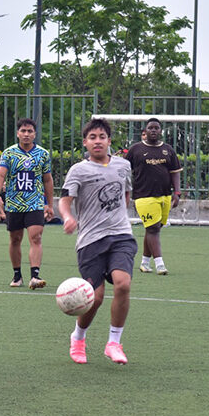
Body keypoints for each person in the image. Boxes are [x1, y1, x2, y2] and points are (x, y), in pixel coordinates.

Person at [59, 118, 138, 365]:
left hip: (121, 235)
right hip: (90, 240)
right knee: (95, 297)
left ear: (108, 141)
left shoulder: (123, 166)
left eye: (101, 137)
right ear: (85, 142)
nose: (97, 141)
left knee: (123, 284)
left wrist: (116, 217)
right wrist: (68, 217)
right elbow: (64, 200)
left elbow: (126, 194)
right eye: (92, 137)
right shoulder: (78, 170)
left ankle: (114, 342)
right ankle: (78, 337)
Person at [0, 118, 54, 289]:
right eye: (23, 131)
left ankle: (35, 275)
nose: (26, 134)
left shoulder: (42, 154)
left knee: (36, 237)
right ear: (18, 133)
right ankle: (17, 274)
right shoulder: (9, 153)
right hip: (14, 203)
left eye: (30, 131)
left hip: (35, 203)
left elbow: (47, 180)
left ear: (35, 134)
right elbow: (0, 175)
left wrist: (49, 204)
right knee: (15, 239)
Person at [124, 117, 182, 275]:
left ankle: (144, 262)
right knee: (153, 228)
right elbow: (123, 169)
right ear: (145, 132)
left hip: (164, 196)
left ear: (161, 131)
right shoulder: (135, 149)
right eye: (151, 128)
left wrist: (177, 192)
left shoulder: (168, 150)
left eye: (157, 128)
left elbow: (175, 173)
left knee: (154, 228)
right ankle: (160, 264)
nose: (154, 130)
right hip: (143, 196)